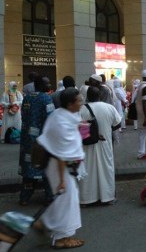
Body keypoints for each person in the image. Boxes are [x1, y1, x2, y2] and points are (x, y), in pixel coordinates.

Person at [36, 88, 86, 249]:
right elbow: (61, 154)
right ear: (70, 104)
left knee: (66, 199)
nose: (81, 102)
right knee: (67, 199)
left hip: (63, 165)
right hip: (59, 167)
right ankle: (61, 238)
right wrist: (62, 180)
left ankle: (46, 223)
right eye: (79, 100)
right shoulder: (61, 122)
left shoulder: (62, 114)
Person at [78, 87, 121, 206]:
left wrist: (92, 134)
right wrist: (105, 129)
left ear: (87, 96)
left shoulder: (82, 109)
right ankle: (108, 197)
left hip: (87, 144)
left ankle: (86, 199)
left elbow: (79, 128)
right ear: (100, 96)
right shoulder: (109, 108)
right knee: (106, 169)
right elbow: (117, 124)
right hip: (105, 144)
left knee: (88, 169)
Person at [18, 76, 55, 205]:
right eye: (47, 83)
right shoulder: (46, 98)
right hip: (42, 139)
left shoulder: (27, 97)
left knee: (29, 169)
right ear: (41, 85)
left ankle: (24, 197)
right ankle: (49, 196)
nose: (49, 85)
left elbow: (23, 115)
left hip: (27, 140)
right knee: (46, 167)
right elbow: (51, 120)